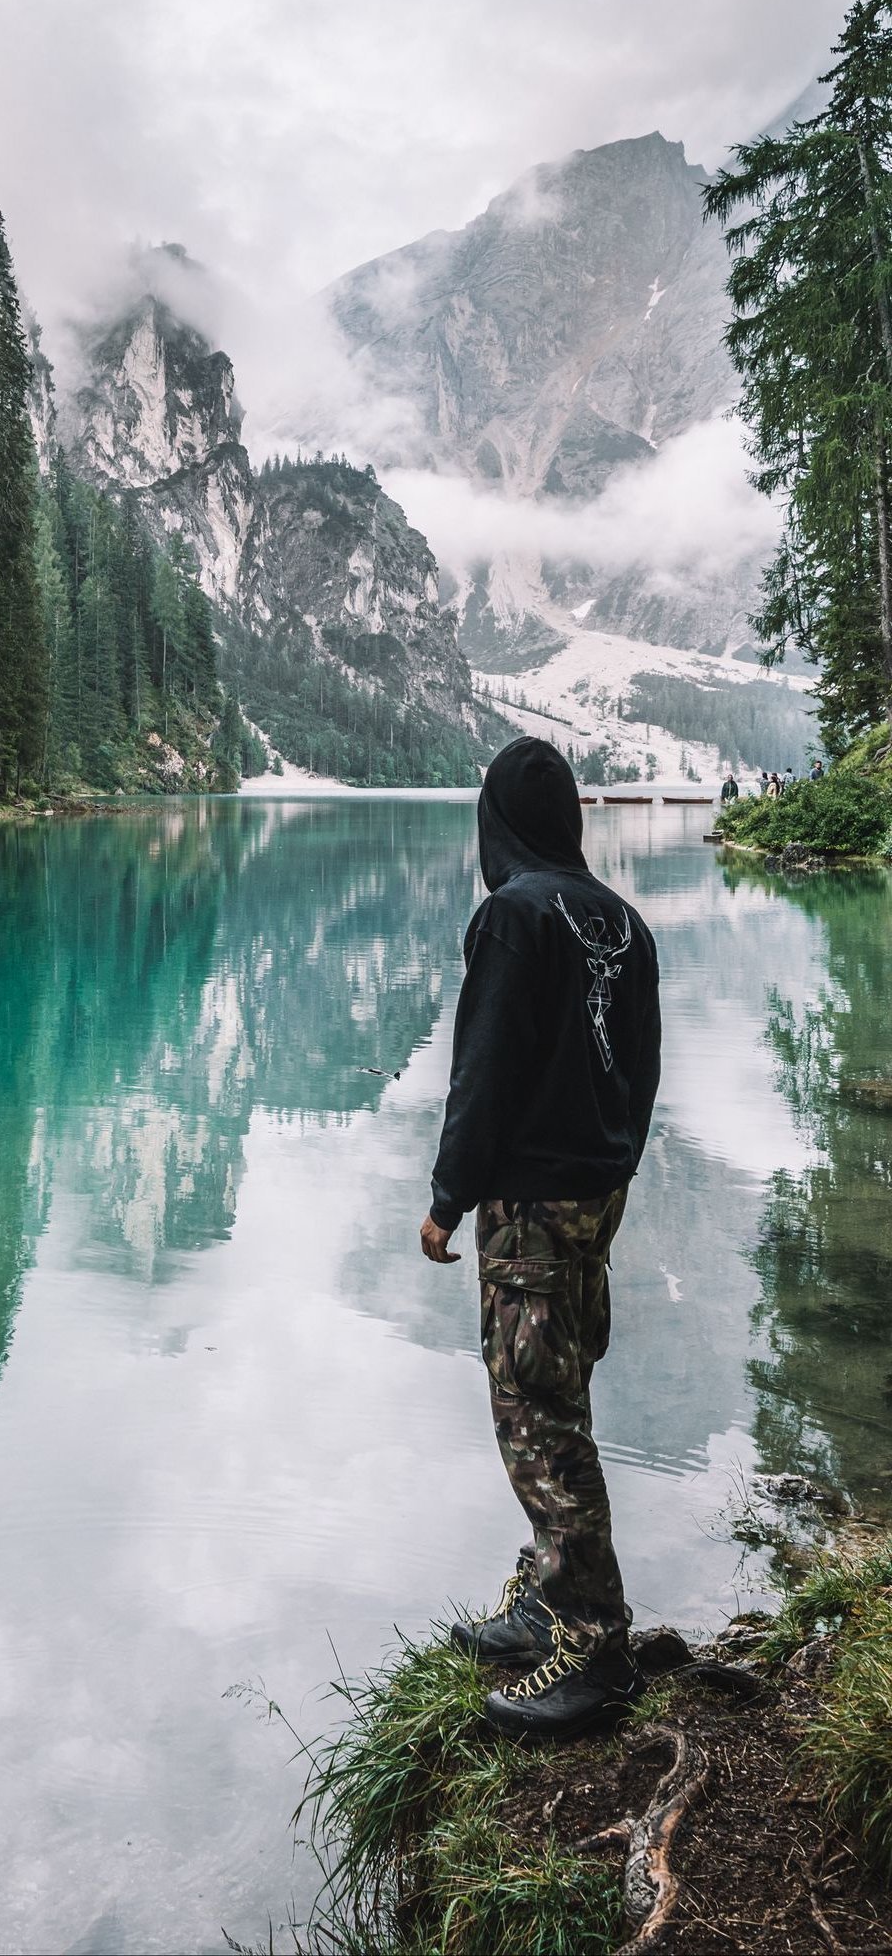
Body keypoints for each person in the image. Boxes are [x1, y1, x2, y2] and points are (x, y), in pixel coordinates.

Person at [420, 736, 660, 1744]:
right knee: (556, 1389)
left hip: (528, 1205)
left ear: (497, 826)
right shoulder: (622, 920)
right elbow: (639, 1072)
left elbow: (483, 1073)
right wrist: (608, 1171)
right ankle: (544, 1599)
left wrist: (447, 1197)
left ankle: (593, 1646)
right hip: (593, 1194)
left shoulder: (511, 918)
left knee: (534, 1413)